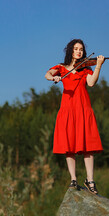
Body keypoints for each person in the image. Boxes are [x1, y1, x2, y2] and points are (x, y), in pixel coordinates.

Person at [44, 39, 104, 194]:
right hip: (68, 110)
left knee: (88, 146)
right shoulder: (61, 68)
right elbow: (47, 74)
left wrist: (98, 65)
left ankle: (90, 180)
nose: (79, 51)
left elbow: (91, 83)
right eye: (76, 49)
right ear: (70, 50)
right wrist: (54, 77)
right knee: (69, 147)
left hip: (83, 109)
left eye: (81, 49)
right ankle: (73, 179)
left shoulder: (85, 69)